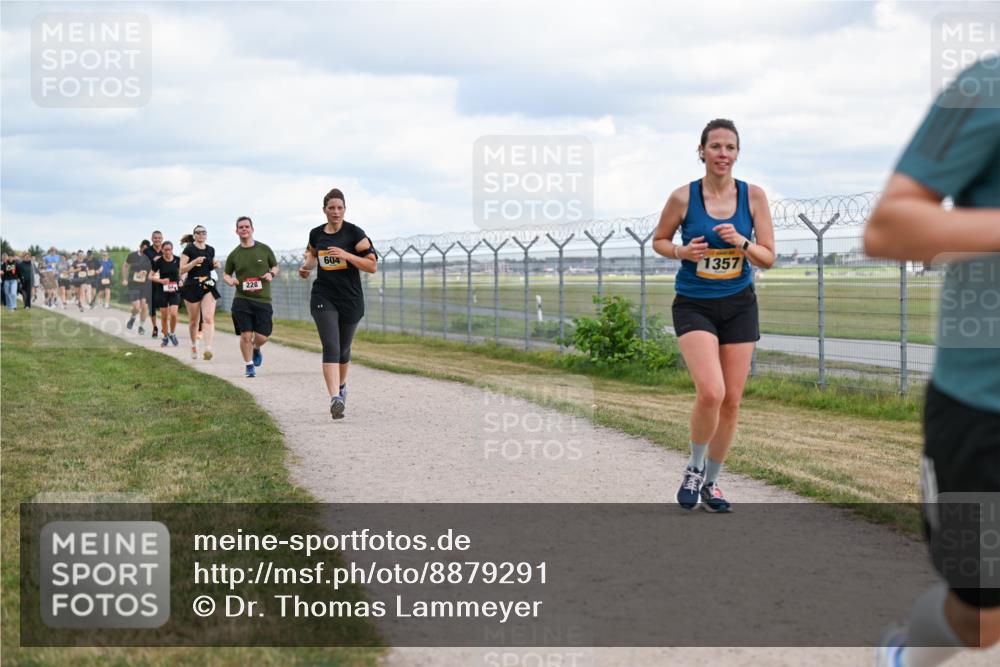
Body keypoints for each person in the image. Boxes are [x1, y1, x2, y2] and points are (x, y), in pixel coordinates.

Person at [866, 57, 1000, 667]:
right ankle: (904, 657)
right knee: (981, 616)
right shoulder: (986, 86)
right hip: (983, 410)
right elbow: (889, 228)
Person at [651, 118, 775, 512]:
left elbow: (768, 257)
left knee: (732, 401)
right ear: (701, 151)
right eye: (716, 146)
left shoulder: (753, 197)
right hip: (694, 303)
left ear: (738, 153)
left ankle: (711, 484)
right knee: (711, 392)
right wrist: (681, 252)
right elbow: (659, 240)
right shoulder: (682, 197)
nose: (723, 154)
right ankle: (693, 467)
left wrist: (742, 243)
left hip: (739, 303)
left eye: (730, 147)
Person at [297, 188, 378, 419]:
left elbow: (372, 266)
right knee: (331, 346)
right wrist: (305, 268)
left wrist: (347, 255)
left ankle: (341, 387)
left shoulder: (355, 233)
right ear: (324, 210)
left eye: (339, 207)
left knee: (343, 349)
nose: (335, 211)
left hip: (350, 298)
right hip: (323, 296)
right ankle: (335, 398)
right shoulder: (316, 234)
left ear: (345, 209)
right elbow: (313, 256)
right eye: (331, 208)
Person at [223, 216, 279, 378]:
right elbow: (226, 274)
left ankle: (256, 348)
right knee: (246, 335)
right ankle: (249, 365)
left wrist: (271, 274)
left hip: (263, 299)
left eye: (247, 226)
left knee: (262, 336)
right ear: (236, 231)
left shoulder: (264, 249)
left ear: (252, 229)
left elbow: (275, 266)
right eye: (241, 227)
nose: (244, 229)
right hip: (242, 299)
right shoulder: (234, 254)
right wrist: (230, 281)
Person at [179, 225, 221, 360]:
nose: (201, 234)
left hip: (207, 283)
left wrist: (215, 265)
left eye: (204, 232)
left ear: (206, 235)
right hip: (192, 284)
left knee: (208, 318)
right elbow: (182, 269)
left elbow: (209, 267)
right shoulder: (189, 249)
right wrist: (194, 262)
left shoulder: (210, 249)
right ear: (194, 235)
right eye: (198, 232)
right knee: (194, 320)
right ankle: (193, 344)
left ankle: (208, 348)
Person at [151, 241, 181, 347]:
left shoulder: (178, 260)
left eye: (170, 249)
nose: (168, 251)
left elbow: (184, 272)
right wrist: (161, 280)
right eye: (166, 250)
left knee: (173, 314)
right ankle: (165, 337)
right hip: (162, 291)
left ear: (172, 249)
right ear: (162, 250)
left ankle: (172, 333)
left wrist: (182, 280)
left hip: (174, 290)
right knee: (164, 317)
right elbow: (150, 276)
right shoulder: (159, 261)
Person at [122, 240, 152, 335]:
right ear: (140, 247)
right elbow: (125, 266)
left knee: (145, 306)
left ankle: (141, 326)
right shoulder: (132, 255)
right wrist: (124, 279)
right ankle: (133, 317)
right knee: (136, 307)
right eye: (144, 249)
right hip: (133, 284)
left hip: (145, 285)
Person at [145, 231, 164, 338]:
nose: (157, 240)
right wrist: (153, 261)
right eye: (155, 238)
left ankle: (164, 326)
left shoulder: (165, 249)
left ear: (162, 239)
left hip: (163, 280)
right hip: (150, 281)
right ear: (152, 239)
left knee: (165, 305)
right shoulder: (147, 251)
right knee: (152, 307)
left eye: (159, 238)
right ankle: (155, 327)